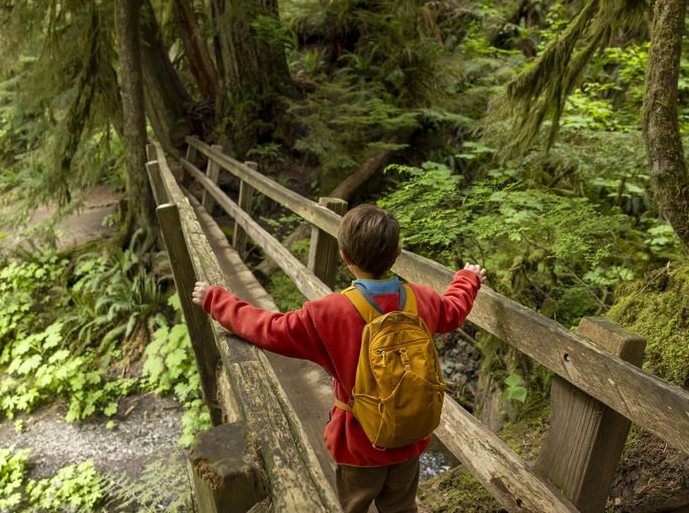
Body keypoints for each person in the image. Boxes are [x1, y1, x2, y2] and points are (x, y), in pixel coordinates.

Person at [192, 204, 485, 513]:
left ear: (344, 256)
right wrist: (468, 278)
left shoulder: (329, 313)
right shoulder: (423, 299)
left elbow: (270, 329)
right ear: (397, 252)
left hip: (357, 444)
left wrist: (217, 300)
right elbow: (454, 310)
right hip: (410, 439)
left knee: (354, 506)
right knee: (401, 508)